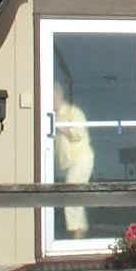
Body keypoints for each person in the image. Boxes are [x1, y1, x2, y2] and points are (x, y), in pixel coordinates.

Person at [53, 77, 95, 238]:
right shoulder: (51, 114)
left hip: (80, 160)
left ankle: (77, 237)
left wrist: (59, 126)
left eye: (52, 97)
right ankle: (78, 234)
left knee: (71, 196)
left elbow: (78, 133)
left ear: (59, 95)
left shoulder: (72, 112)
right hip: (67, 163)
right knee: (74, 198)